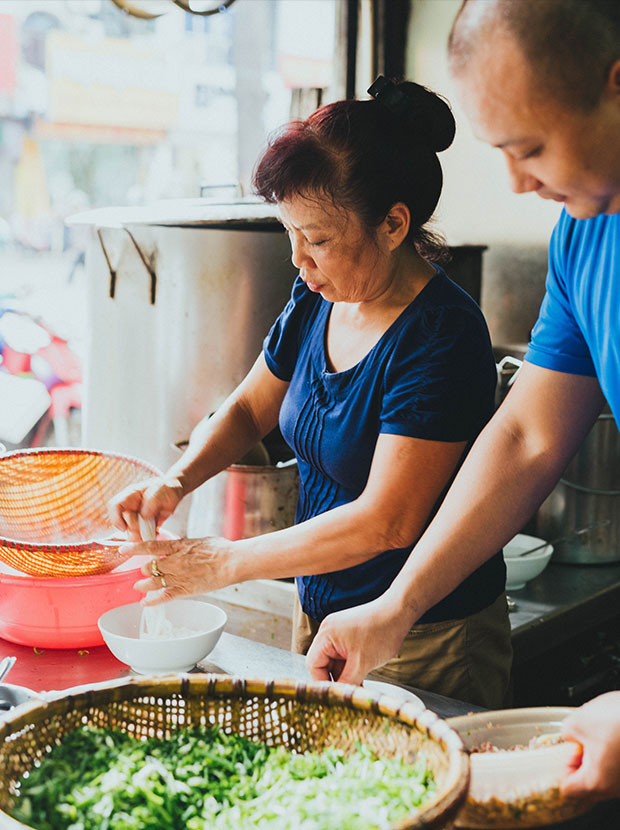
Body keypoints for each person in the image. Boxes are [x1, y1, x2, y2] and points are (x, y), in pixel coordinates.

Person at [109, 79, 513, 708]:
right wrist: (177, 481)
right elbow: (250, 408)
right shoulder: (318, 296)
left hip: (425, 638)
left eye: (319, 239)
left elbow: (388, 521)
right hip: (321, 612)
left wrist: (225, 562)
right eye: (290, 233)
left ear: (393, 224)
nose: (299, 260)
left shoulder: (440, 335)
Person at [305, 0, 620, 805]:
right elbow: (525, 436)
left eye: (532, 148)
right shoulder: (583, 235)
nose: (517, 182)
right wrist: (396, 606)